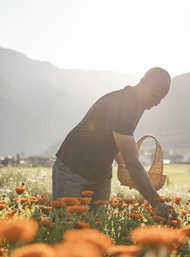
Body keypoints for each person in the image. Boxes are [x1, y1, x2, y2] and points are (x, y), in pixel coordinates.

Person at [52, 67, 177, 219]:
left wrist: (130, 172)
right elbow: (131, 160)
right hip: (72, 169)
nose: (156, 102)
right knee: (66, 226)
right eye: (154, 96)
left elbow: (116, 141)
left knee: (97, 228)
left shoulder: (141, 102)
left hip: (100, 174)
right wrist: (157, 203)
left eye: (160, 99)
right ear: (143, 83)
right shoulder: (123, 105)